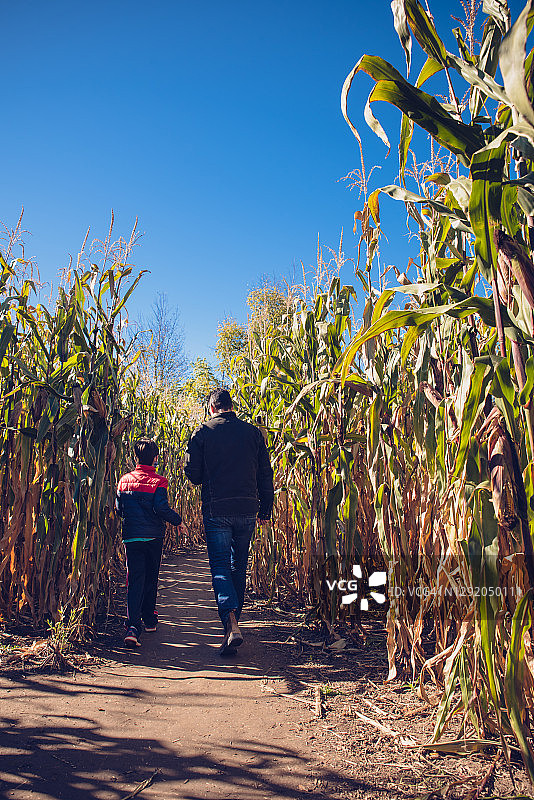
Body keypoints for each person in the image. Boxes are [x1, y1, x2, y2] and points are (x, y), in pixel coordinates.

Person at [184, 389, 274, 655]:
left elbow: (195, 476)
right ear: (230, 406)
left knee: (221, 568)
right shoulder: (253, 433)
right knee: (238, 567)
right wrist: (265, 508)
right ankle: (232, 625)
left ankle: (230, 621)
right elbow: (265, 474)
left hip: (217, 509)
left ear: (211, 408)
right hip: (247, 509)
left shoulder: (202, 434)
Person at [116, 437, 186, 648]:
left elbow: (119, 510)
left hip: (131, 536)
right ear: (155, 458)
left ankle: (132, 627)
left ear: (136, 457)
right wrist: (178, 521)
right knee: (151, 577)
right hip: (154, 536)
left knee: (134, 579)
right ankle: (149, 619)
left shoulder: (124, 480)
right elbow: (161, 508)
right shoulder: (159, 481)